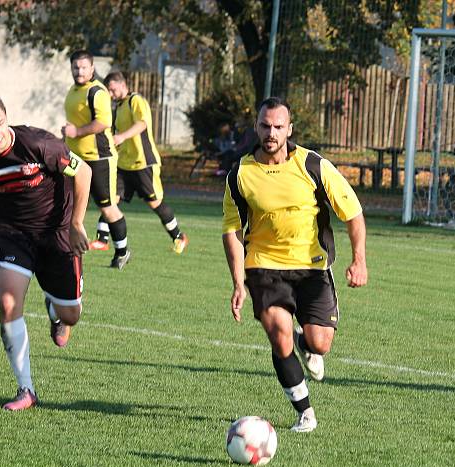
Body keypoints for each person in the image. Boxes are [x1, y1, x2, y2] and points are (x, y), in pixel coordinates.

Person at [222, 97, 368, 433]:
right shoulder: (241, 174)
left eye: (277, 126)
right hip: (264, 267)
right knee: (279, 336)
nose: (271, 132)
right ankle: (305, 412)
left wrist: (359, 260)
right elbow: (232, 231)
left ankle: (307, 344)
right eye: (264, 125)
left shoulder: (314, 165)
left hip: (313, 266)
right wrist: (237, 282)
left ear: (289, 129)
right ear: (256, 127)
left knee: (320, 344)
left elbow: (354, 213)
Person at [0, 91, 92, 410]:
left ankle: (55, 309)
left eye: (1, 123)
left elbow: (82, 171)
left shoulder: (38, 144)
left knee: (70, 314)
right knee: (7, 304)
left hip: (57, 233)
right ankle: (26, 389)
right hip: (13, 234)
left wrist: (76, 223)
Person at [104, 71, 189, 254]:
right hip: (123, 164)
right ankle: (102, 240)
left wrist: (122, 136)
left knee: (155, 203)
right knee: (110, 199)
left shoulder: (136, 101)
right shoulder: (118, 107)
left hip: (143, 162)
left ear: (123, 85)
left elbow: (142, 124)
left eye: (112, 90)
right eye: (108, 91)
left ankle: (178, 236)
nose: (110, 94)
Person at [63, 50, 131, 269]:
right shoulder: (73, 91)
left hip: (99, 159)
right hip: (75, 158)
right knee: (65, 203)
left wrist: (76, 132)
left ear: (92, 68)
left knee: (107, 207)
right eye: (76, 67)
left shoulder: (97, 91)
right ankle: (65, 248)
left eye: (84, 67)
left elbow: (103, 123)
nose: (79, 71)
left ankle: (122, 251)